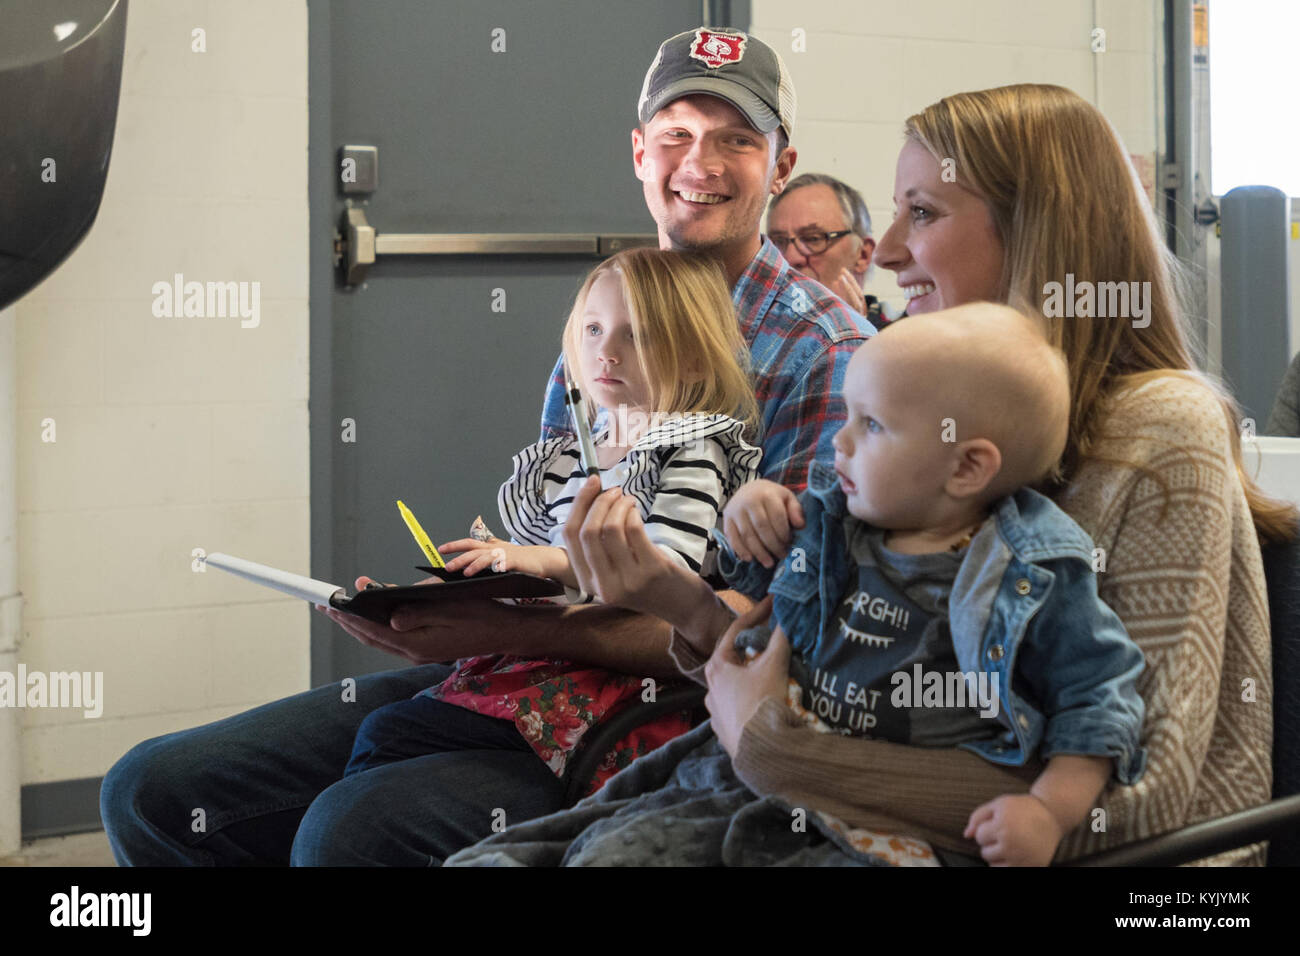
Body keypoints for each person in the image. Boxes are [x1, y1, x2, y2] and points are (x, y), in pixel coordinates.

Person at [445, 83, 1296, 868]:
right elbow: (794, 667)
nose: (883, 251)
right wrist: (677, 601)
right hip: (791, 803)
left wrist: (777, 747)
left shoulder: (1153, 426)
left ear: (1037, 230)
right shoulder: (920, 428)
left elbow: (1134, 806)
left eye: (920, 213)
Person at [99, 28, 873, 866]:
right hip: (526, 666)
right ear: (640, 152)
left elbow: (777, 636)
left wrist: (499, 629)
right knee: (155, 790)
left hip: (672, 707)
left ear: (782, 165)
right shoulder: (608, 313)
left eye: (737, 139)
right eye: (678, 134)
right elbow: (556, 539)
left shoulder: (826, 357)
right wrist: (471, 597)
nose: (703, 162)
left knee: (353, 828)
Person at [714, 304, 1145, 866]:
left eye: (871, 424)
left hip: (898, 833)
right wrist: (747, 518)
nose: (839, 443)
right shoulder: (830, 518)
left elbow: (1096, 700)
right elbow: (757, 585)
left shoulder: (1035, 572)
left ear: (966, 469)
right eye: (848, 416)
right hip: (780, 788)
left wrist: (1046, 812)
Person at [347, 248, 762, 792]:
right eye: (593, 329)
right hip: (541, 662)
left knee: (391, 735)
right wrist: (480, 575)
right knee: (387, 739)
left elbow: (664, 572)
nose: (606, 352)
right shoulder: (568, 456)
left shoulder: (689, 449)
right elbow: (541, 572)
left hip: (618, 683)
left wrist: (537, 559)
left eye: (635, 335)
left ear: (692, 359)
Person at [766, 172, 883, 328]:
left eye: (813, 239)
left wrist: (851, 329)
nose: (790, 257)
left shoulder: (904, 342)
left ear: (863, 255)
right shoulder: (744, 336)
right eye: (779, 241)